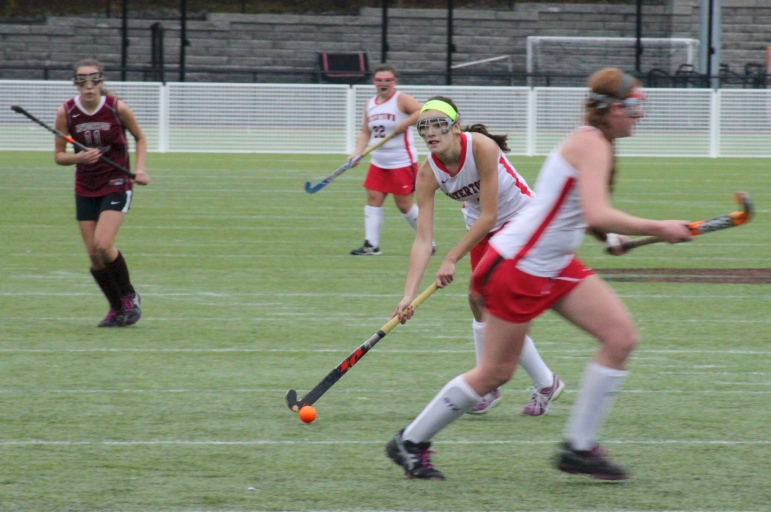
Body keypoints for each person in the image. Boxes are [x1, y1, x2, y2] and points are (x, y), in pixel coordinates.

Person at [385, 68, 694, 481]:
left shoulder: (590, 141)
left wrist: (608, 235)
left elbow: (576, 208)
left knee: (621, 336)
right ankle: (410, 441)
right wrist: (661, 227)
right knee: (495, 372)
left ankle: (579, 448)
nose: (639, 115)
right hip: (519, 266)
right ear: (613, 108)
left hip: (552, 260)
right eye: (635, 107)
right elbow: (596, 209)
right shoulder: (592, 143)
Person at [394, 96, 564, 416]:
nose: (431, 132)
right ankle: (532, 382)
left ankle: (494, 383)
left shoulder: (482, 148)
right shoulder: (428, 173)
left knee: (488, 296)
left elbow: (490, 213)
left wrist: (451, 258)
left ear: (456, 127)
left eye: (438, 124)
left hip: (519, 221)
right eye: (424, 126)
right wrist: (408, 296)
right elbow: (422, 240)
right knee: (478, 301)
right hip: (482, 230)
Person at [54, 58, 150, 327]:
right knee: (94, 257)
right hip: (85, 185)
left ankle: (129, 295)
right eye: (82, 80)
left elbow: (140, 138)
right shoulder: (67, 112)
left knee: (103, 244)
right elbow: (59, 156)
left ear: (102, 81)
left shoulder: (117, 108)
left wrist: (140, 169)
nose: (88, 85)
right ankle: (116, 307)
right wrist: (79, 159)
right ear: (75, 83)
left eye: (93, 79)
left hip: (117, 180)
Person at [348, 63, 431, 256]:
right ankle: (371, 245)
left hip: (401, 162)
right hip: (379, 161)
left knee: (404, 205)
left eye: (388, 80)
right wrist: (357, 152)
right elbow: (366, 131)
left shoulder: (401, 99)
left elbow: (423, 111)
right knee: (373, 199)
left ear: (394, 81)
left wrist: (405, 123)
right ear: (373, 82)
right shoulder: (370, 104)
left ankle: (428, 240)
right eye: (379, 80)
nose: (383, 84)